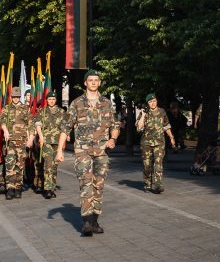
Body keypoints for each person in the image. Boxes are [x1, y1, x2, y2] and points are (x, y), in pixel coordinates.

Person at [56, 70, 121, 237]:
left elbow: (115, 125)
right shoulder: (77, 103)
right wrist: (59, 151)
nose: (93, 82)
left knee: (98, 185)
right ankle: (86, 221)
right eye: (90, 80)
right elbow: (66, 127)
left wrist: (113, 139)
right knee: (86, 183)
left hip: (101, 151)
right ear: (85, 83)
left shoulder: (107, 103)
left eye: (96, 80)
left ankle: (95, 220)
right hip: (83, 150)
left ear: (99, 83)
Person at [137, 93, 175, 194]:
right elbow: (139, 127)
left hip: (159, 142)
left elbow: (166, 125)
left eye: (154, 101)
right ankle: (147, 183)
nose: (152, 103)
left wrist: (171, 137)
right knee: (147, 165)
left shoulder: (162, 111)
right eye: (150, 102)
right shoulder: (144, 112)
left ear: (156, 101)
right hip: (146, 143)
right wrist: (143, 115)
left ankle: (158, 185)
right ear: (147, 103)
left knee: (158, 164)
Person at [32, 90, 65, 199]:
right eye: (49, 99)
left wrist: (65, 139)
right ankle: (47, 189)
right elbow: (37, 125)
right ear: (47, 100)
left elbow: (65, 127)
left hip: (57, 141)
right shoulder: (43, 111)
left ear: (56, 100)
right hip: (46, 141)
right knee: (48, 164)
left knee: (55, 165)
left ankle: (52, 187)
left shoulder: (61, 111)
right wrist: (41, 136)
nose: (51, 101)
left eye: (53, 99)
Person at [0, 86, 31, 199]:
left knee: (20, 165)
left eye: (18, 97)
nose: (16, 99)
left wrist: (30, 138)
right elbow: (1, 121)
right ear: (11, 97)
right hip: (10, 142)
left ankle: (18, 187)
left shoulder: (25, 108)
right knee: (9, 165)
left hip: (22, 142)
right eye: (14, 97)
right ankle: (10, 187)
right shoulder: (6, 108)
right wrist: (5, 131)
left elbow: (30, 124)